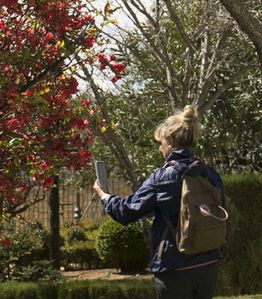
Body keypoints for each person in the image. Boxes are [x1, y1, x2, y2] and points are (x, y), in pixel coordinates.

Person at [94, 105, 226, 299]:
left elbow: (127, 211)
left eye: (161, 142)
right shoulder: (209, 172)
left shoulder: (162, 177)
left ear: (171, 141)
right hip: (209, 262)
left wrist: (105, 196)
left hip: (174, 265)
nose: (160, 147)